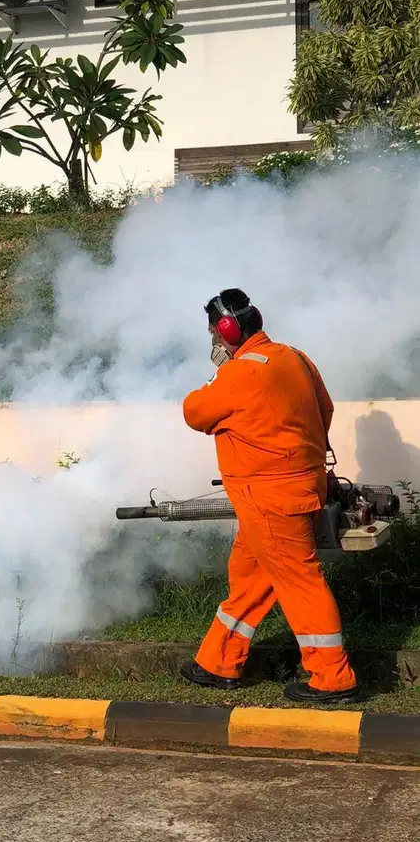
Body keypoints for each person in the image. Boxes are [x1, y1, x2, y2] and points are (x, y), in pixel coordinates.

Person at [179, 288, 359, 703]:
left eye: (213, 334)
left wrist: (218, 375)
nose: (213, 342)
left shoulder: (240, 373)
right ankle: (218, 661)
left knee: (300, 581)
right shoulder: (293, 357)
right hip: (294, 489)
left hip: (268, 496)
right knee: (250, 576)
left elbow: (194, 411)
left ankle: (332, 677)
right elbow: (324, 409)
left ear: (226, 330)